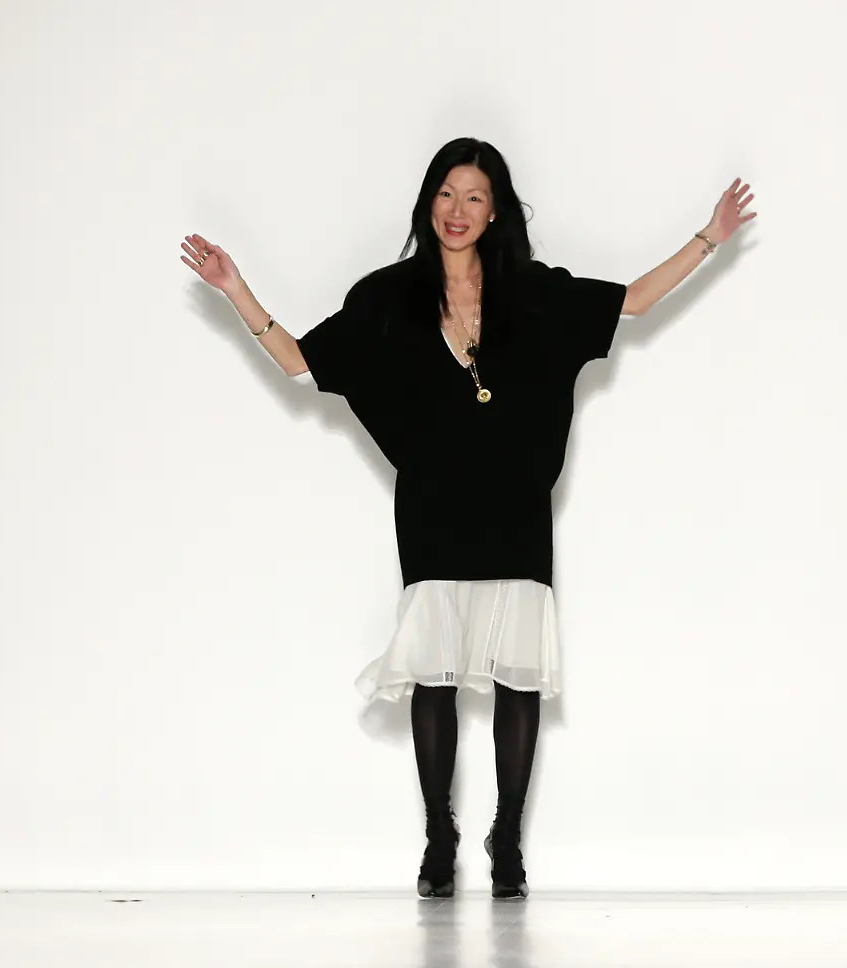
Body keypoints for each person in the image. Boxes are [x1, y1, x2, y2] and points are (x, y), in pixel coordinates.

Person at [180, 137, 756, 900]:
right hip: (434, 511)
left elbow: (633, 300)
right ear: (429, 202)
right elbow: (299, 362)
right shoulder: (388, 298)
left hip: (516, 509)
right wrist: (235, 288)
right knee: (434, 675)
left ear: (496, 212)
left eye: (475, 197)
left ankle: (507, 836)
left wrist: (711, 236)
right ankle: (439, 835)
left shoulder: (533, 294)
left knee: (518, 677)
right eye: (447, 194)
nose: (458, 210)